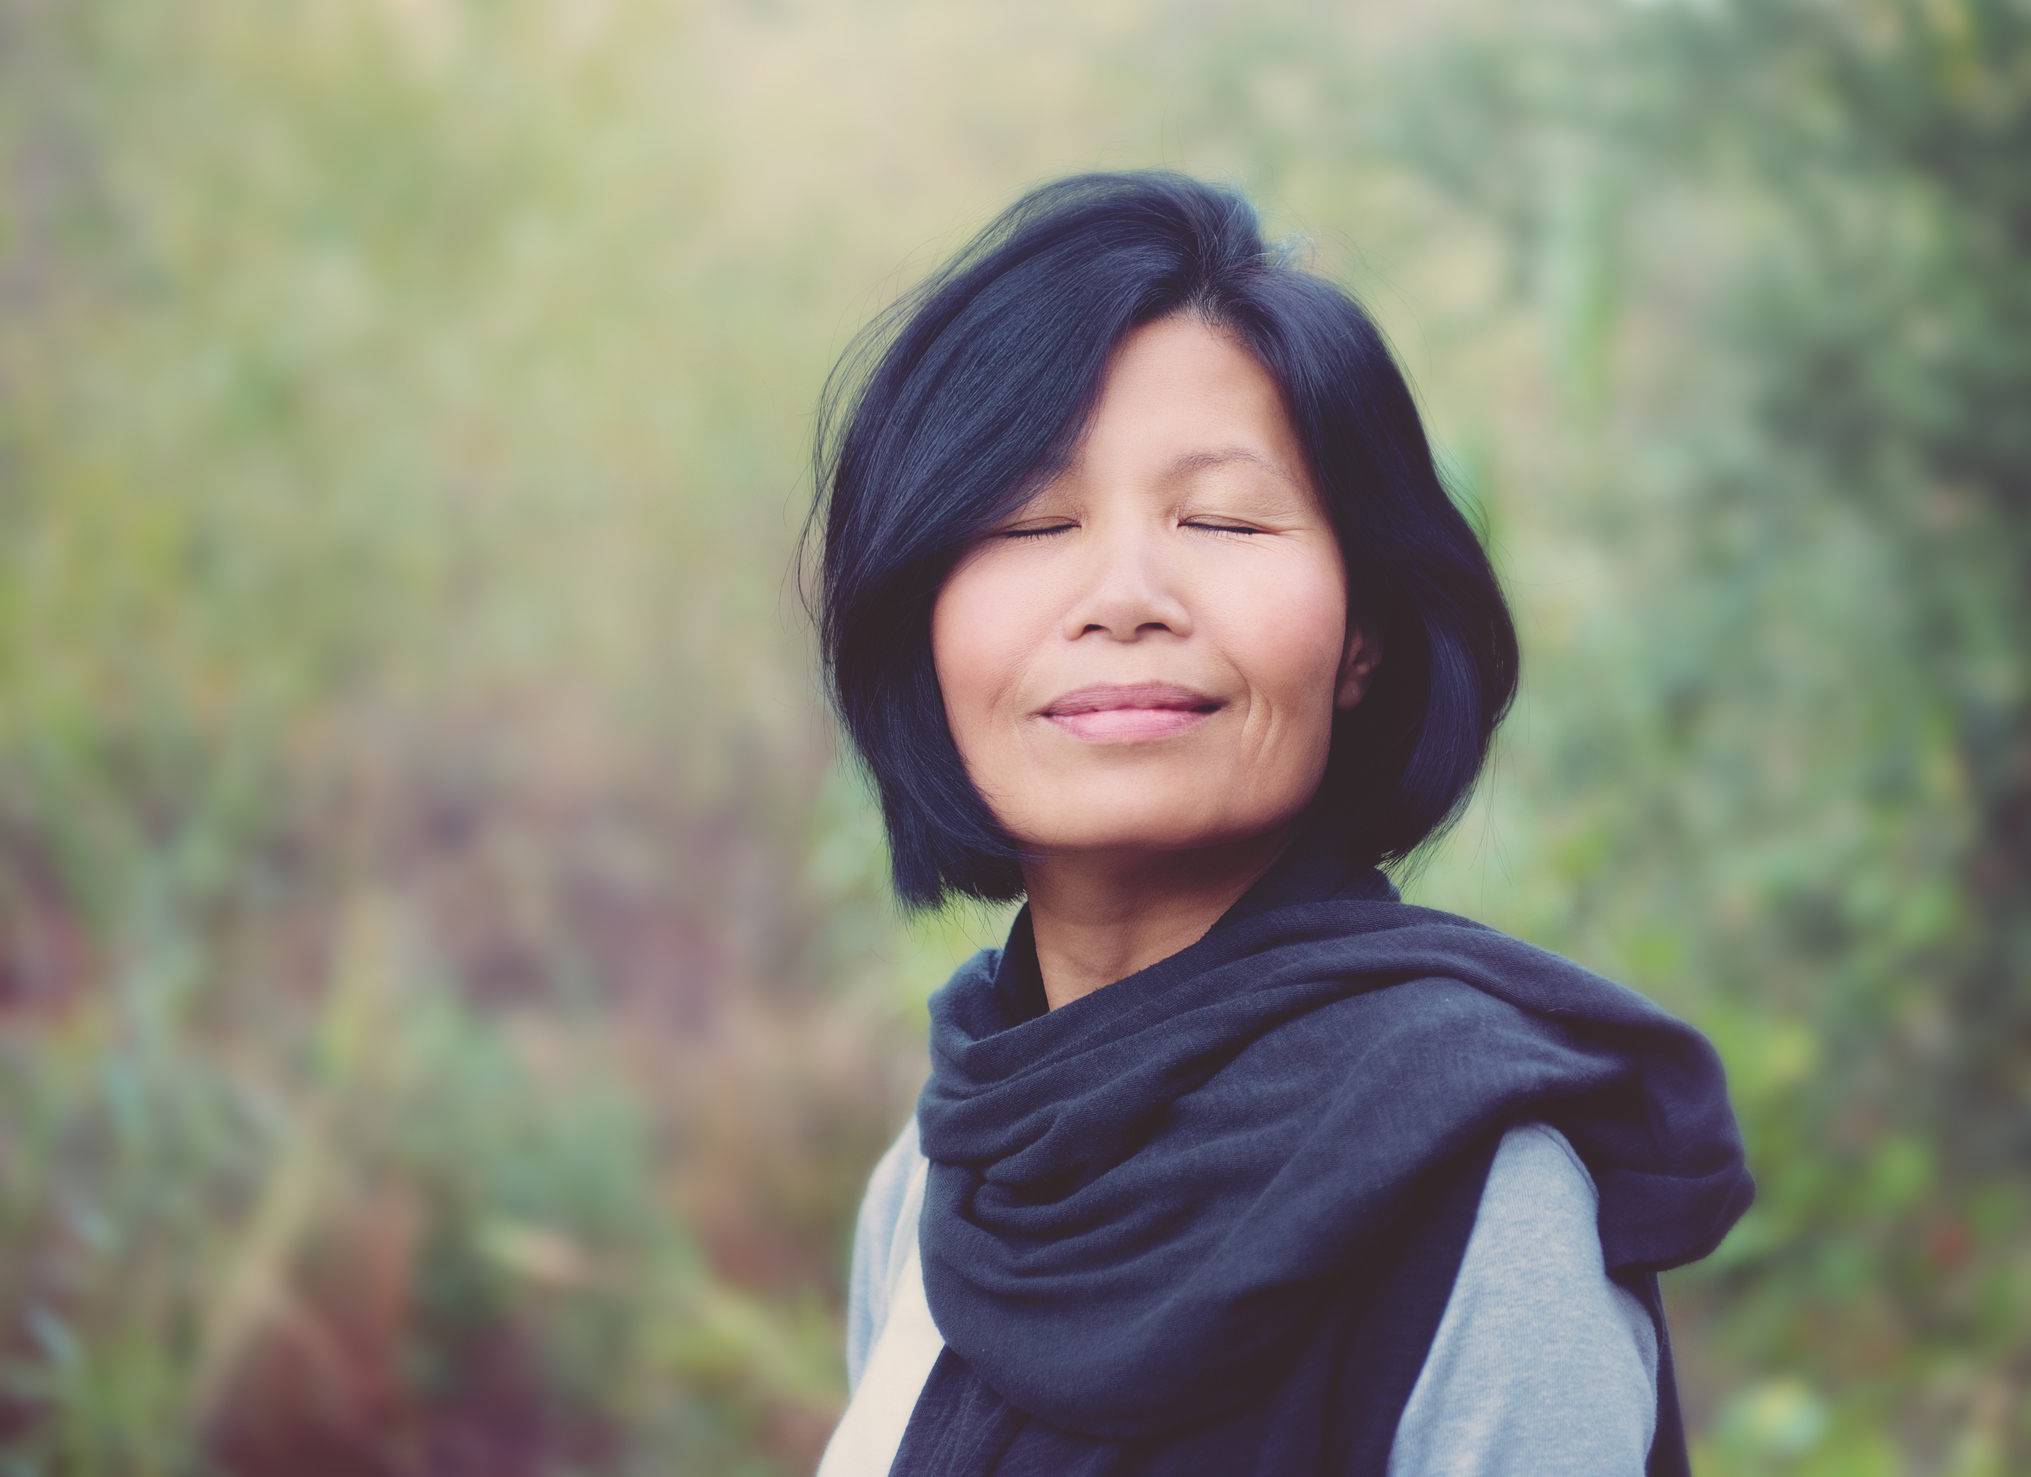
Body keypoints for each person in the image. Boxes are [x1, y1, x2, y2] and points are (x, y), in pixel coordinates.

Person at [807, 172, 1752, 1477]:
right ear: (921, 623)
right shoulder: (933, 1181)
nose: (1125, 595)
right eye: (1030, 518)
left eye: (1221, 518)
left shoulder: (1479, 1205)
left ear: (1361, 634)